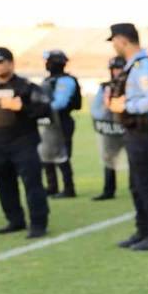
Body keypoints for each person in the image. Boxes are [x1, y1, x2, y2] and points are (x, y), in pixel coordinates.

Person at [0, 47, 52, 238]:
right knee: (4, 184)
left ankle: (38, 224)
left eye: (0, 62)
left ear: (11, 63)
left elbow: (45, 109)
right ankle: (14, 220)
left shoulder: (26, 86)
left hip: (23, 142)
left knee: (32, 184)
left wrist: (22, 107)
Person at [106, 22, 148, 251]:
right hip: (136, 131)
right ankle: (143, 231)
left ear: (122, 40)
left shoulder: (143, 66)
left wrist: (126, 106)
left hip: (147, 131)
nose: (113, 45)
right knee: (136, 185)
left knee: (147, 185)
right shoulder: (134, 66)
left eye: (113, 40)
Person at [40, 49, 82, 198]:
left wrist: (40, 108)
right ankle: (52, 187)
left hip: (61, 121)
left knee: (62, 155)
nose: (46, 64)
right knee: (46, 152)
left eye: (49, 61)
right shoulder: (49, 80)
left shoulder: (65, 81)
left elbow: (60, 103)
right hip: (48, 122)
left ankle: (69, 188)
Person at [91, 56, 127, 201]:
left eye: (119, 68)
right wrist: (106, 112)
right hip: (110, 127)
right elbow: (96, 108)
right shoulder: (105, 87)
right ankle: (108, 189)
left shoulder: (132, 85)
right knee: (108, 157)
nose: (117, 72)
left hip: (127, 126)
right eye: (114, 69)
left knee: (134, 158)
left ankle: (136, 186)